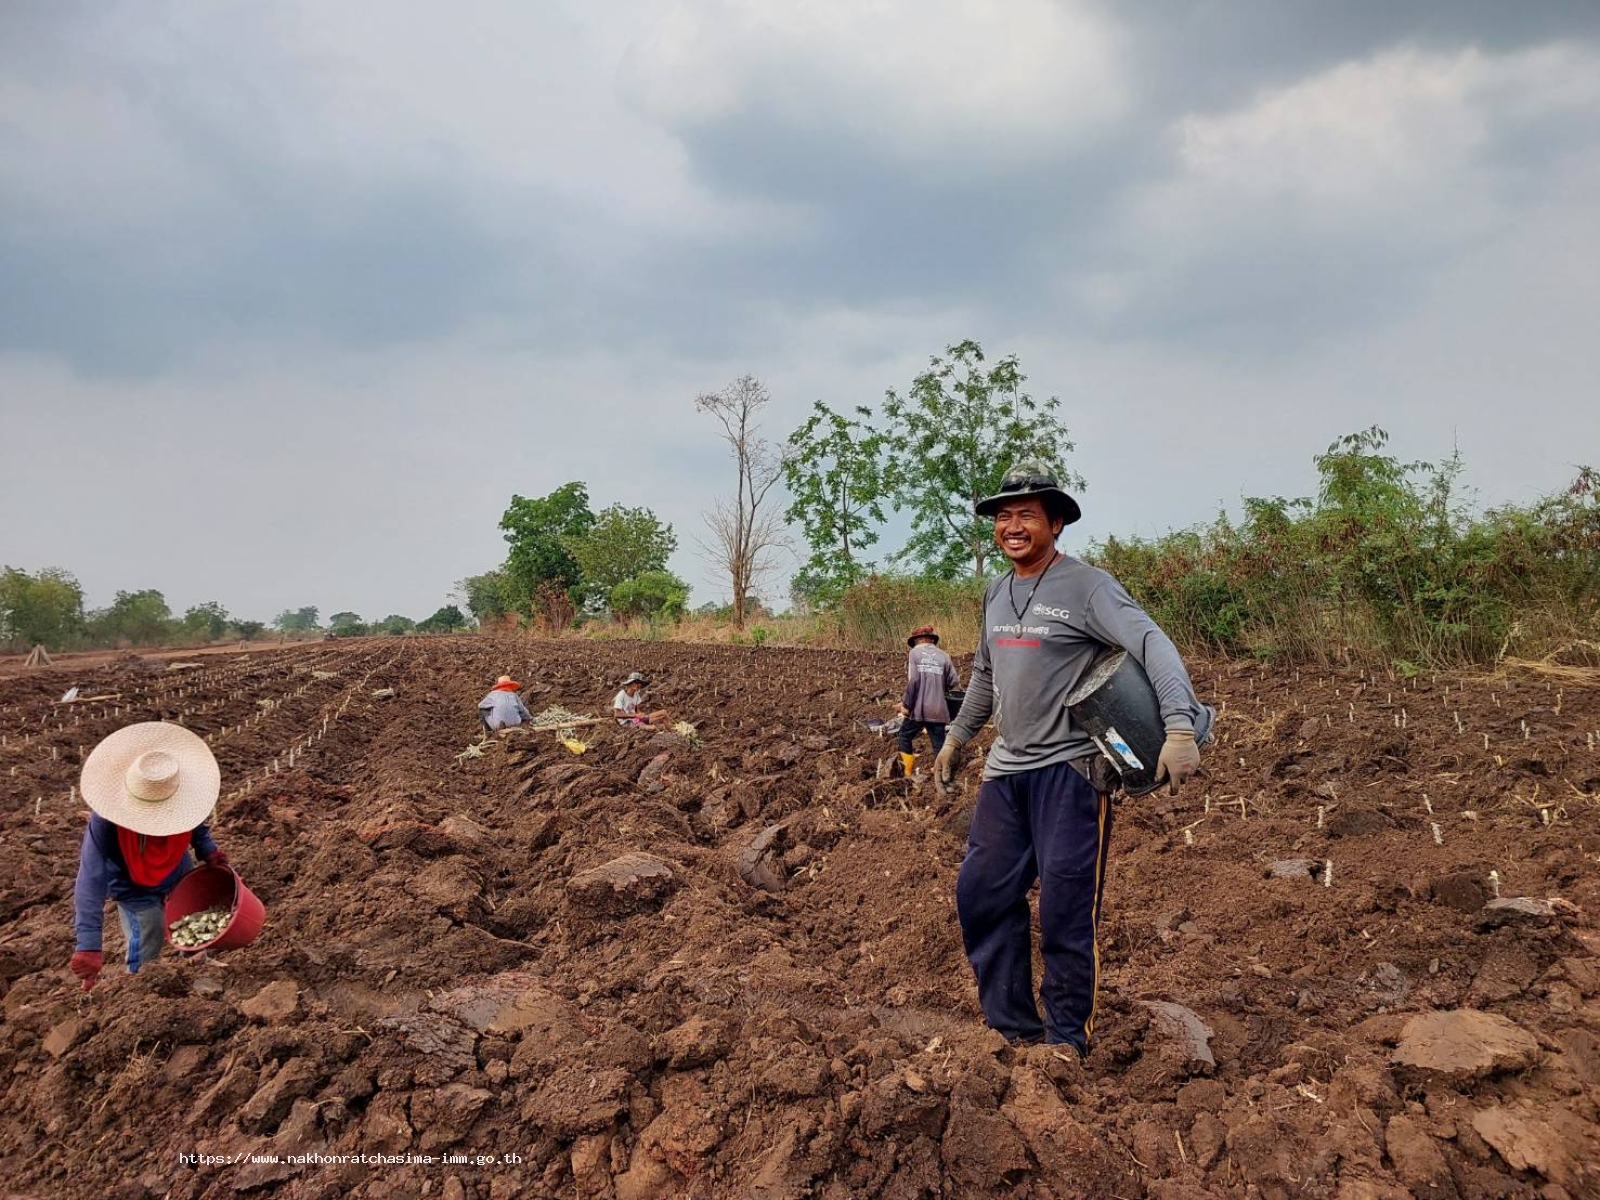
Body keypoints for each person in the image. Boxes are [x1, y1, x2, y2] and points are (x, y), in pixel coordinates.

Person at [935, 463, 1211, 1057]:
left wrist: (1180, 727)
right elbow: (985, 674)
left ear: (1055, 523)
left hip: (1071, 774)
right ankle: (1012, 1030)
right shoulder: (995, 591)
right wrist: (958, 737)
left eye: (1026, 515)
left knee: (1065, 911)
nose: (1012, 526)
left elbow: (1151, 642)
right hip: (1006, 774)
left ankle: (1065, 1044)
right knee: (981, 894)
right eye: (1003, 516)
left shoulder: (1088, 587)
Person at [70, 722, 231, 990]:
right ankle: (139, 986)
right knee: (149, 932)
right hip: (132, 886)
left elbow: (196, 823)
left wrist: (208, 850)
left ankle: (197, 962)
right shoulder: (106, 821)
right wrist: (88, 945)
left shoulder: (180, 790)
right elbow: (90, 879)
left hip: (177, 871)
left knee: (189, 918)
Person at [897, 625, 960, 777]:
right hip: (939, 709)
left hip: (919, 709)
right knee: (939, 744)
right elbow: (954, 683)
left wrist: (906, 705)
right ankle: (941, 774)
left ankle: (907, 773)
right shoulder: (944, 656)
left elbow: (913, 681)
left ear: (917, 640)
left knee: (904, 736)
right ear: (932, 639)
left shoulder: (914, 653)